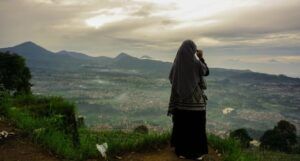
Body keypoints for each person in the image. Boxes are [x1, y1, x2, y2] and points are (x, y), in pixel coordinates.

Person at [168, 40, 209, 160]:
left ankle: (181, 151)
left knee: (182, 127)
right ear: (193, 50)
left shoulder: (176, 64)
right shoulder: (196, 63)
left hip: (180, 103)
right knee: (197, 128)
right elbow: (206, 72)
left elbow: (171, 78)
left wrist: (182, 86)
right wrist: (201, 58)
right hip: (196, 103)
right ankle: (196, 153)